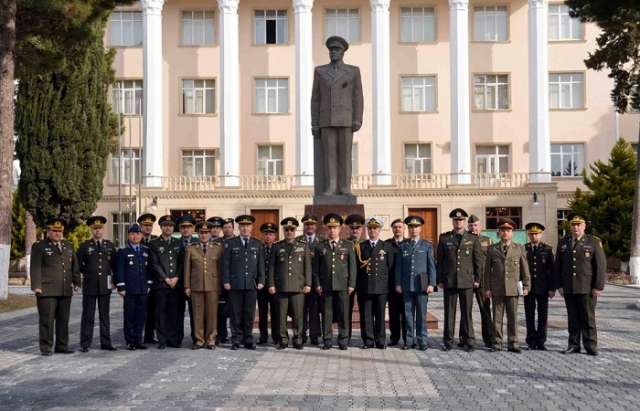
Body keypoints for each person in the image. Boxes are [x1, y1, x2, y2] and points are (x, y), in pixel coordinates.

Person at [310, 35, 364, 200]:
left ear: (343, 52)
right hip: (326, 119)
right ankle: (331, 186)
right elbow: (315, 98)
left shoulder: (353, 71)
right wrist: (315, 122)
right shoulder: (320, 71)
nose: (333, 52)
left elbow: (358, 97)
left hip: (346, 119)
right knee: (329, 155)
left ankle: (344, 187)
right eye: (331, 50)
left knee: (345, 155)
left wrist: (357, 118)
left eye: (337, 49)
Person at [555, 214, 606, 356]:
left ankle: (590, 345)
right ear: (570, 226)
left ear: (584, 226)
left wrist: (598, 286)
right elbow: (558, 265)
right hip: (569, 287)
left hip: (587, 287)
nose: (575, 227)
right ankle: (573, 344)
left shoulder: (593, 242)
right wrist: (559, 285)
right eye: (573, 224)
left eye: (579, 224)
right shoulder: (563, 242)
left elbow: (600, 266)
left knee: (588, 317)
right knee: (572, 318)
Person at [30, 218, 81, 356]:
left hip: (65, 290)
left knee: (63, 320)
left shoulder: (68, 245)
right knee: (47, 321)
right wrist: (36, 285)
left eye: (60, 231)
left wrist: (77, 282)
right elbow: (35, 267)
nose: (58, 234)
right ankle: (46, 347)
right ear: (48, 231)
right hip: (47, 290)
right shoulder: (39, 246)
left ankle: (62, 346)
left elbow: (74, 266)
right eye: (55, 231)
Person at [437, 208, 482, 352]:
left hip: (467, 280)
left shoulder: (472, 238)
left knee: (467, 313)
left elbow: (478, 261)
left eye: (461, 220)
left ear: (464, 221)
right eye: (456, 220)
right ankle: (448, 341)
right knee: (449, 313)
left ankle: (469, 340)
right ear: (453, 221)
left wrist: (478, 279)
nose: (459, 222)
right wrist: (440, 279)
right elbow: (440, 261)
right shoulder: (444, 238)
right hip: (450, 280)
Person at [485, 218, 530, 353]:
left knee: (513, 317)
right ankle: (497, 342)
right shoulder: (492, 249)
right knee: (497, 318)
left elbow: (524, 269)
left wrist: (527, 285)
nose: (505, 233)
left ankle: (513, 343)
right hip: (497, 289)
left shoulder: (519, 248)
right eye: (503, 230)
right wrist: (487, 288)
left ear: (512, 233)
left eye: (508, 230)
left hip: (513, 288)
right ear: (499, 232)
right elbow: (486, 271)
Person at [313, 213, 356, 350]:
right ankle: (327, 340)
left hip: (343, 285)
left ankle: (343, 340)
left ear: (340, 228)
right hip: (326, 286)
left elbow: (352, 267)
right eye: (330, 227)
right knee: (327, 314)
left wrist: (351, 284)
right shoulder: (320, 246)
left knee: (343, 313)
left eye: (335, 227)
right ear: (326, 228)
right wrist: (318, 284)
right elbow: (316, 269)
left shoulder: (348, 245)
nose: (332, 230)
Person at [222, 215, 265, 350]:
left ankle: (248, 338)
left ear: (252, 227)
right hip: (235, 284)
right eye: (242, 226)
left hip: (251, 284)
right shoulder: (231, 243)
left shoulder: (257, 244)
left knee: (249, 314)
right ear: (239, 228)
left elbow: (261, 265)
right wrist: (226, 281)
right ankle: (236, 339)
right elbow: (225, 264)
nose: (245, 228)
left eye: (247, 226)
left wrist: (262, 280)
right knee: (235, 314)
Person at [268, 217, 312, 349]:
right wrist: (271, 284)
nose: (289, 232)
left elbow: (307, 267)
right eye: (286, 230)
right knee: (281, 317)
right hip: (281, 287)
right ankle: (283, 339)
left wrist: (308, 284)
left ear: (295, 230)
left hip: (298, 287)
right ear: (284, 231)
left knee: (298, 316)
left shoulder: (303, 246)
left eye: (291, 230)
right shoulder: (277, 247)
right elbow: (271, 267)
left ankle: (298, 338)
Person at [395, 216, 436, 351]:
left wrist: (432, 283)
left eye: (416, 227)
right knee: (408, 314)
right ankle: (409, 340)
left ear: (420, 228)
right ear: (408, 228)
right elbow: (399, 267)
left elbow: (431, 266)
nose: (414, 229)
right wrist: (398, 283)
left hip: (422, 285)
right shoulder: (403, 246)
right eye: (411, 227)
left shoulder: (427, 245)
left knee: (421, 314)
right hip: (407, 285)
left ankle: (422, 340)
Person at [77, 216, 116, 352]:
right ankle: (85, 343)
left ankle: (106, 342)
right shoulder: (84, 246)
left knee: (104, 316)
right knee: (88, 316)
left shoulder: (110, 246)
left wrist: (114, 282)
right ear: (91, 230)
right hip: (90, 286)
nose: (97, 231)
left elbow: (114, 266)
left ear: (103, 229)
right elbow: (78, 265)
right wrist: (87, 273)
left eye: (100, 228)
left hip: (105, 286)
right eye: (95, 229)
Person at [356, 217, 394, 349]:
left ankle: (380, 341)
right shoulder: (361, 246)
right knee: (366, 315)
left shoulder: (386, 246)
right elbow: (357, 268)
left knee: (380, 315)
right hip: (365, 287)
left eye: (375, 228)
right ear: (367, 230)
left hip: (381, 287)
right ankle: (368, 341)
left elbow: (390, 267)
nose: (372, 231)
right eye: (370, 228)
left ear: (379, 230)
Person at [185, 221, 224, 350]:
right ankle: (199, 339)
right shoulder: (191, 248)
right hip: (196, 286)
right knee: (197, 314)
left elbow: (220, 269)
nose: (204, 235)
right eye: (201, 233)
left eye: (206, 233)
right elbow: (187, 269)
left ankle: (211, 339)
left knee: (212, 314)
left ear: (210, 233)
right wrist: (187, 286)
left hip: (212, 286)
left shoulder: (218, 248)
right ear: (198, 233)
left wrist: (220, 286)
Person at [114, 224, 153, 350]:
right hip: (130, 289)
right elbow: (119, 270)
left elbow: (149, 269)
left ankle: (138, 340)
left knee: (141, 316)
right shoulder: (123, 251)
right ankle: (130, 341)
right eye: (132, 234)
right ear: (128, 235)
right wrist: (121, 287)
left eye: (137, 234)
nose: (135, 236)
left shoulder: (145, 250)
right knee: (130, 316)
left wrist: (149, 284)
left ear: (141, 235)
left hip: (142, 289)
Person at [148, 215, 184, 349]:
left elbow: (182, 263)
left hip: (175, 284)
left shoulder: (178, 243)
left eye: (170, 225)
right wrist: (166, 278)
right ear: (161, 227)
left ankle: (172, 339)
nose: (167, 227)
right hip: (161, 284)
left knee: (174, 313)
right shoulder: (154, 243)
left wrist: (176, 277)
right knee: (160, 313)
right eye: (165, 225)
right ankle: (162, 339)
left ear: (173, 227)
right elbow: (154, 263)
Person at [524, 222, 556, 351]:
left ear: (541, 234)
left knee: (543, 316)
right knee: (529, 315)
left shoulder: (547, 249)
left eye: (536, 234)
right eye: (531, 234)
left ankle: (541, 341)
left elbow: (552, 270)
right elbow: (520, 270)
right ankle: (531, 340)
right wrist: (521, 288)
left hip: (543, 288)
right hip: (529, 288)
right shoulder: (523, 248)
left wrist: (552, 288)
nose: (533, 236)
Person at [466, 214, 494, 348]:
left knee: (485, 309)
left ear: (480, 226)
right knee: (466, 310)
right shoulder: (464, 240)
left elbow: (492, 262)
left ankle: (489, 338)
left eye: (475, 225)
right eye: (471, 225)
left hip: (483, 280)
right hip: (467, 280)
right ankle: (466, 338)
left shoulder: (487, 241)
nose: (473, 228)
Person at [299, 215, 323, 345]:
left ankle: (314, 335)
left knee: (314, 310)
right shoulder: (298, 241)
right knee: (300, 310)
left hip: (315, 282)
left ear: (316, 226)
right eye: (307, 225)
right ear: (304, 226)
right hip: (300, 282)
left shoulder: (322, 241)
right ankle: (301, 335)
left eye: (312, 224)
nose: (310, 227)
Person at [176, 214, 197, 346]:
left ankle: (196, 338)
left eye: (188, 227)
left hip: (194, 283)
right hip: (178, 283)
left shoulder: (198, 242)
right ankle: (177, 338)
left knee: (195, 312)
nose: (186, 230)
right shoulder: (174, 242)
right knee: (177, 312)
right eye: (183, 227)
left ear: (193, 228)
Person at [385, 218, 407, 346]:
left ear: (404, 229)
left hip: (406, 285)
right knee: (393, 313)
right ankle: (394, 337)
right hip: (391, 284)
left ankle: (406, 337)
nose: (397, 229)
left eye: (400, 227)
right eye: (395, 227)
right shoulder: (387, 244)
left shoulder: (409, 243)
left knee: (406, 313)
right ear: (392, 229)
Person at [138, 213, 159, 345]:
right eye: (145, 225)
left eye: (150, 225)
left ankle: (150, 336)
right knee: (140, 311)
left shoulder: (156, 241)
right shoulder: (135, 240)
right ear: (140, 226)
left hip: (154, 282)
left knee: (152, 310)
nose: (147, 228)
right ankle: (138, 336)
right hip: (139, 282)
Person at [345, 213, 365, 344]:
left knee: (364, 310)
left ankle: (366, 337)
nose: (355, 230)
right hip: (347, 282)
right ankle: (346, 336)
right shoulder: (345, 244)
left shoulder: (366, 244)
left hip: (363, 282)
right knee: (346, 309)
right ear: (349, 229)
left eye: (357, 228)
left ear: (362, 229)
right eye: (352, 228)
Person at [257, 222, 279, 345]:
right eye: (266, 234)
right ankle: (263, 336)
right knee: (262, 313)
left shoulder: (278, 248)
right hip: (261, 286)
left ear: (275, 236)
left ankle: (276, 336)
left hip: (275, 286)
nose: (268, 237)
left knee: (275, 313)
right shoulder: (259, 248)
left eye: (271, 234)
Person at [216, 217, 235, 344]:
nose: (227, 229)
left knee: (235, 310)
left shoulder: (239, 241)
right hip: (220, 281)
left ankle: (236, 334)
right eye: (225, 227)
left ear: (233, 228)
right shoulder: (217, 242)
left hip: (235, 282)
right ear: (222, 229)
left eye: (229, 227)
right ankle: (221, 335)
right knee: (221, 311)